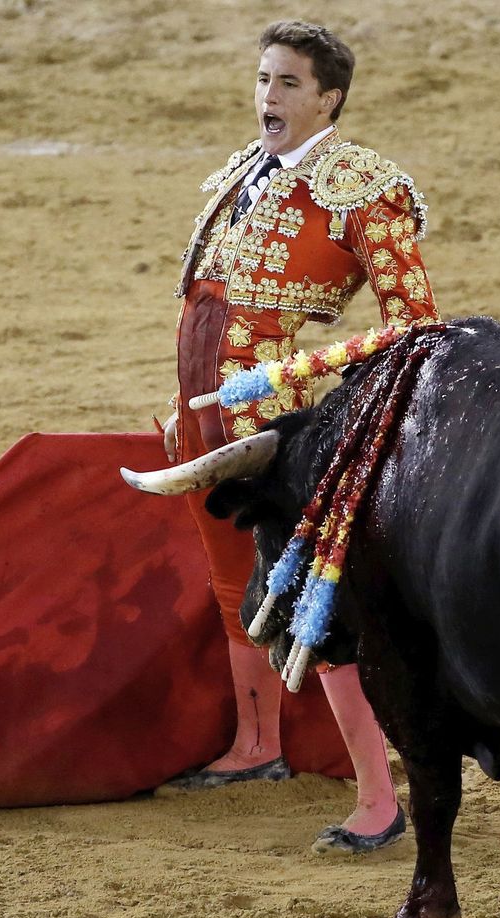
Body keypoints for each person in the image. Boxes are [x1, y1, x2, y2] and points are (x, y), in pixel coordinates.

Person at [156, 20, 439, 853]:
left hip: (288, 427)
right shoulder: (243, 174)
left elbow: (417, 325)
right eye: (262, 79)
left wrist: (294, 378)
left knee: (316, 611)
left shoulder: (364, 187)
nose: (267, 97)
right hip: (213, 415)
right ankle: (258, 745)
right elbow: (210, 307)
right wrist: (187, 402)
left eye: (286, 83)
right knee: (229, 581)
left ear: (329, 99)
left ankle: (380, 800)